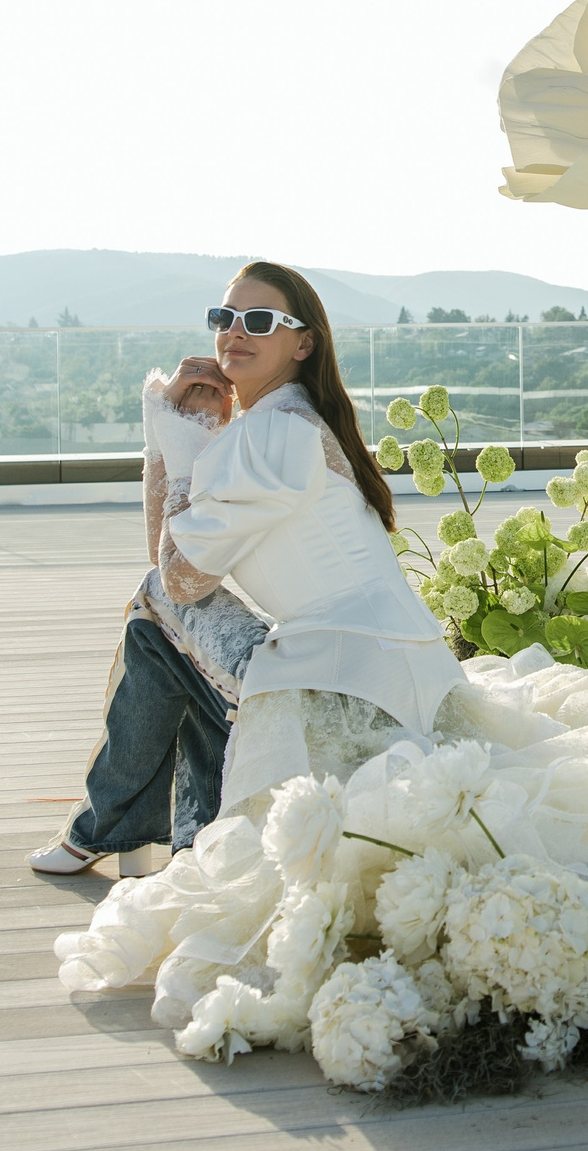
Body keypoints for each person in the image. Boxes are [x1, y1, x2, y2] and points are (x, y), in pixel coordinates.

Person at [29, 260, 464, 874]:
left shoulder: (269, 435)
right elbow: (172, 555)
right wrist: (176, 436)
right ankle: (142, 831)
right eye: (223, 318)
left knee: (156, 616)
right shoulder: (286, 422)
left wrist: (175, 435)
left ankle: (118, 829)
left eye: (258, 320)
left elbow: (176, 579)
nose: (235, 332)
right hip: (388, 665)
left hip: (341, 683)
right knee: (165, 631)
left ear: (303, 342)